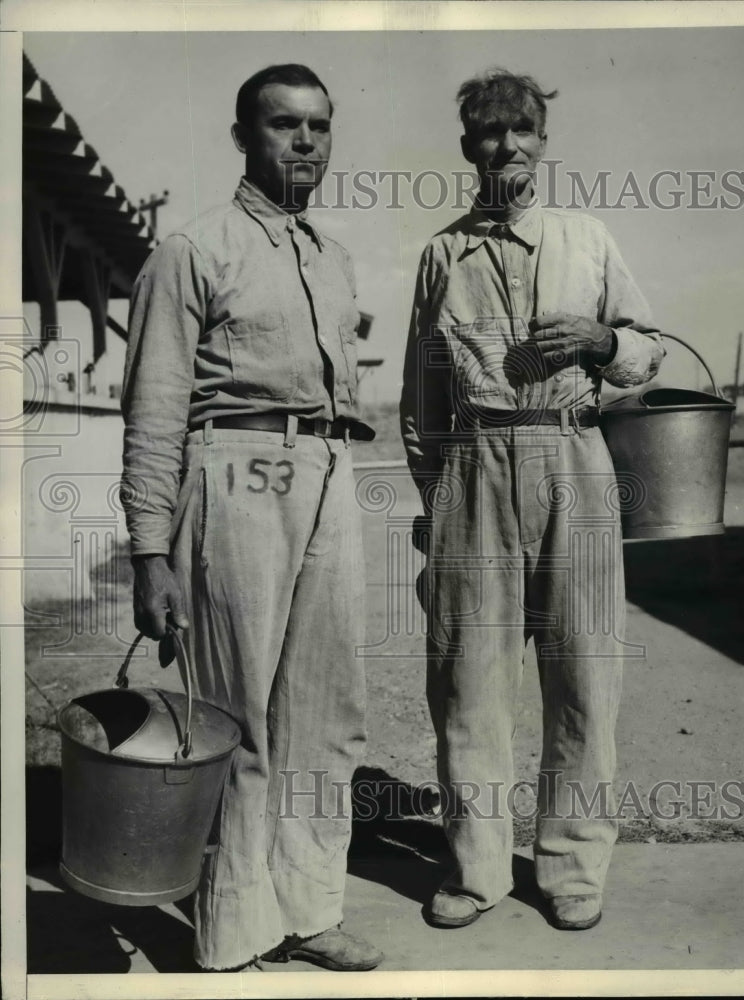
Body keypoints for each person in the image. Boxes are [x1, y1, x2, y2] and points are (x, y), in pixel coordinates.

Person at [120, 64, 382, 973]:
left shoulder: (332, 256)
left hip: (328, 466)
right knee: (237, 710)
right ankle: (235, 927)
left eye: (319, 126)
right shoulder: (194, 250)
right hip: (238, 471)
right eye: (283, 125)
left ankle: (309, 908)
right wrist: (151, 552)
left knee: (327, 707)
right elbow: (154, 412)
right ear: (242, 136)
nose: (305, 142)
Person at [400, 70, 665, 933]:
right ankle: (477, 871)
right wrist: (438, 500)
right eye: (487, 132)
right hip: (475, 464)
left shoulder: (587, 239)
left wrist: (605, 339)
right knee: (469, 682)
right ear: (467, 145)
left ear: (543, 141)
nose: (505, 147)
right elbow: (419, 403)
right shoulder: (442, 254)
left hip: (573, 457)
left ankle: (573, 867)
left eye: (521, 131)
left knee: (585, 672)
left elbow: (650, 352)